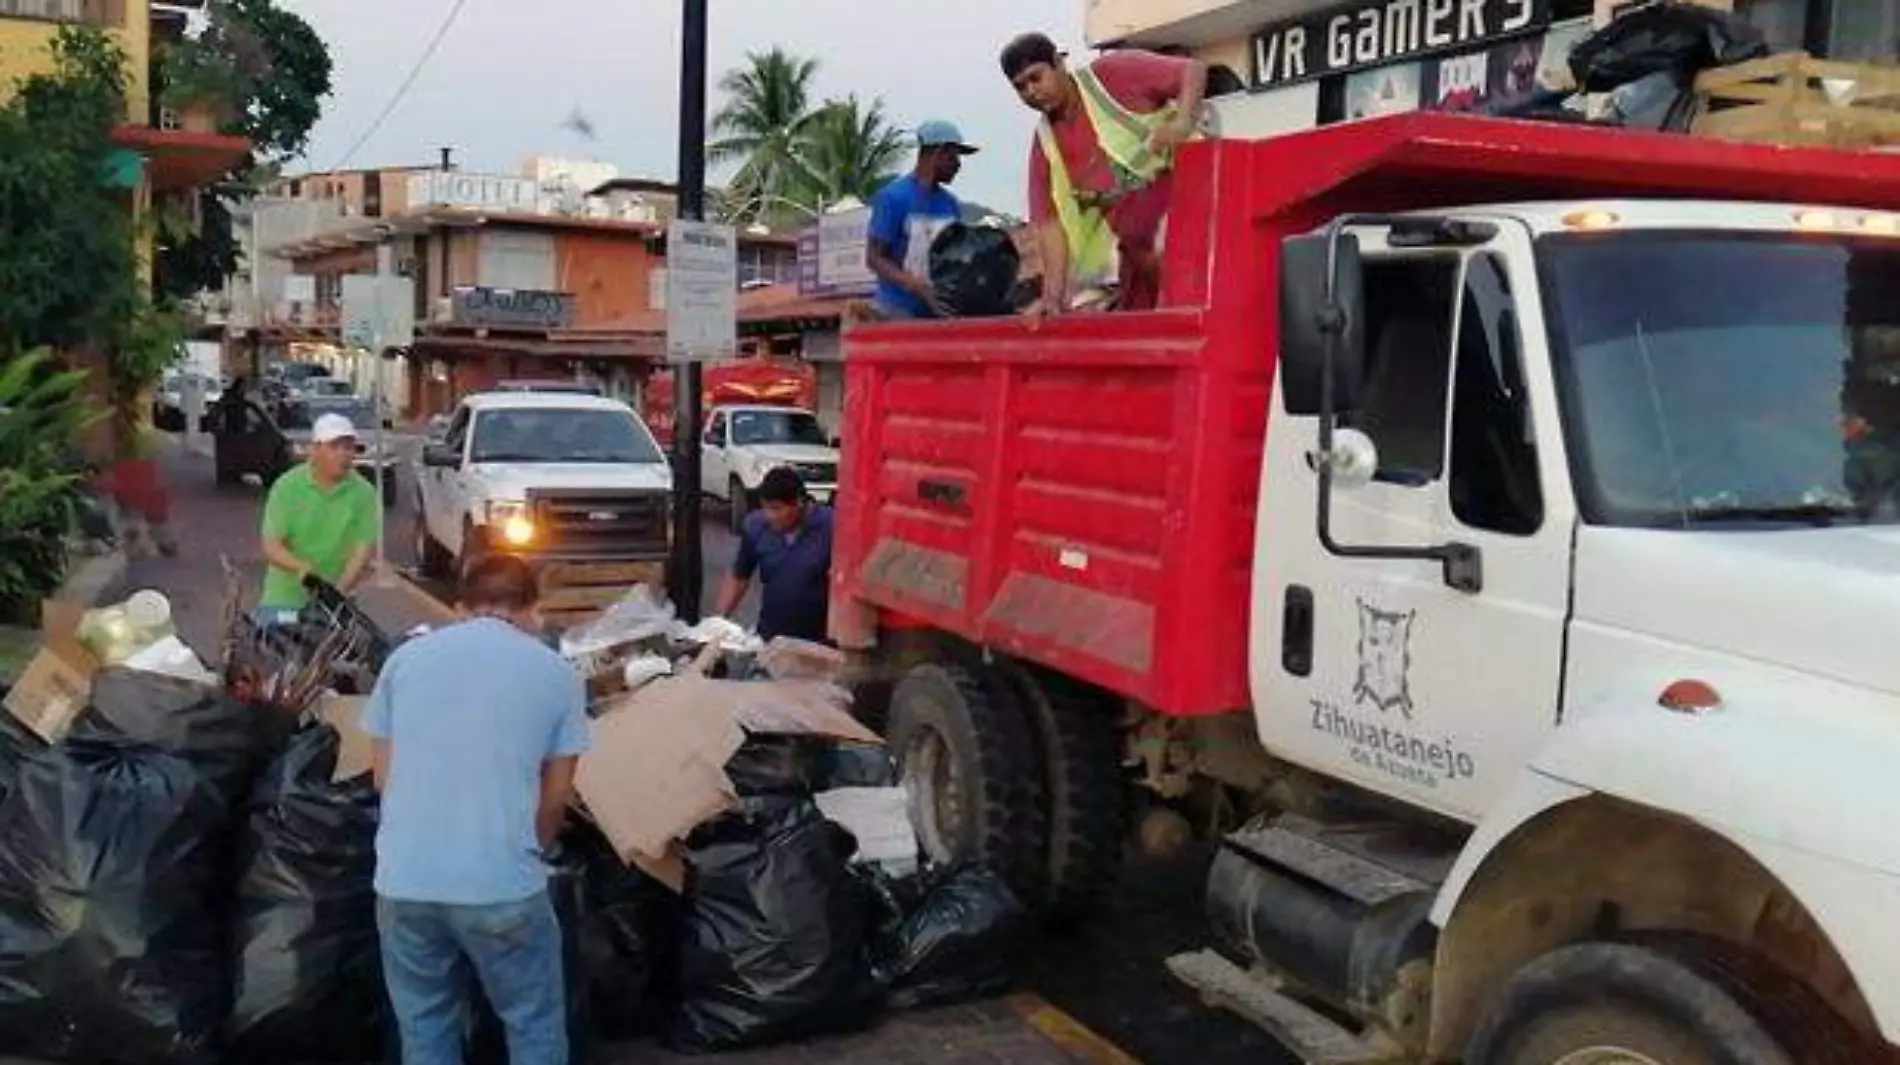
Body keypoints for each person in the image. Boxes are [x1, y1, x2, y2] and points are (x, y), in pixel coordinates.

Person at [363, 554, 590, 1065]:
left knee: (424, 1027)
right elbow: (556, 796)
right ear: (532, 607)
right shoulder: (557, 674)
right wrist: (533, 847)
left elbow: (384, 779)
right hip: (501, 885)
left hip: (404, 881)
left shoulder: (405, 661)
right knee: (533, 1023)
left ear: (461, 606)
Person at [1000, 32, 1208, 315]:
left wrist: (1183, 121)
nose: (1031, 92)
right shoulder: (1044, 145)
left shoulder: (1113, 73)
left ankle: (1186, 302)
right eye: (1021, 88)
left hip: (1194, 197)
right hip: (1132, 249)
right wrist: (1051, 297)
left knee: (1140, 231)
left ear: (1059, 63)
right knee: (1111, 307)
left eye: (1036, 78)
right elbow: (1049, 225)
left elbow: (1192, 71)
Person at [255, 412, 378, 626]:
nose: (343, 454)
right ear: (315, 450)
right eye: (334, 447)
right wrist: (302, 568)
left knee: (335, 653)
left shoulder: (364, 493)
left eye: (348, 447)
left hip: (337, 596)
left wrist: (336, 593)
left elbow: (362, 550)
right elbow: (272, 546)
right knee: (273, 649)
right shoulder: (287, 487)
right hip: (285, 596)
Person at [866, 119, 980, 320]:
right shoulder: (893, 197)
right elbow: (874, 258)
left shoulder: (950, 204)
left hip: (937, 310)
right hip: (897, 308)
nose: (958, 165)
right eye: (954, 157)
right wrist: (914, 284)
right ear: (938, 153)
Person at [716, 466, 833, 643]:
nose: (770, 516)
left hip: (818, 642)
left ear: (799, 502)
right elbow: (739, 576)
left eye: (776, 509)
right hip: (771, 638)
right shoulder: (755, 526)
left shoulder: (831, 526)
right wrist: (718, 623)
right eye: (765, 508)